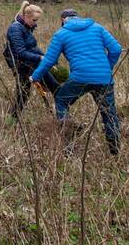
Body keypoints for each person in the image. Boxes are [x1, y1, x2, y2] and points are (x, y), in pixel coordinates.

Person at [30, 9, 123, 155]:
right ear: (77, 16)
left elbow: (50, 60)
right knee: (109, 113)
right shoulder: (97, 27)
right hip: (104, 79)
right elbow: (116, 49)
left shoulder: (61, 34)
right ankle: (115, 151)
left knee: (61, 100)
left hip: (80, 78)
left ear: (62, 20)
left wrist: (35, 76)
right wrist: (107, 68)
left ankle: (68, 145)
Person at [3, 1, 59, 120]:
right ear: (25, 16)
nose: (35, 24)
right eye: (34, 20)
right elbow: (20, 52)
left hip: (32, 64)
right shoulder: (15, 29)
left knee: (54, 87)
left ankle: (61, 117)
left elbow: (32, 48)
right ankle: (11, 121)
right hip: (22, 66)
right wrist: (41, 58)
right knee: (22, 95)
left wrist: (47, 58)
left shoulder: (26, 27)